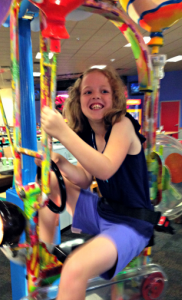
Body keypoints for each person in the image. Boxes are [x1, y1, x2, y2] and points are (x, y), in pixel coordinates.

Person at [36, 66, 154, 300]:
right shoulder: (88, 135)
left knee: (74, 268)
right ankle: (45, 253)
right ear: (79, 101)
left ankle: (64, 274)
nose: (96, 96)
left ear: (115, 98)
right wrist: (59, 161)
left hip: (132, 223)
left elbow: (105, 166)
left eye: (104, 91)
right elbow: (84, 177)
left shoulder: (123, 125)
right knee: (50, 179)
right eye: (88, 92)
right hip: (104, 212)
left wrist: (62, 133)